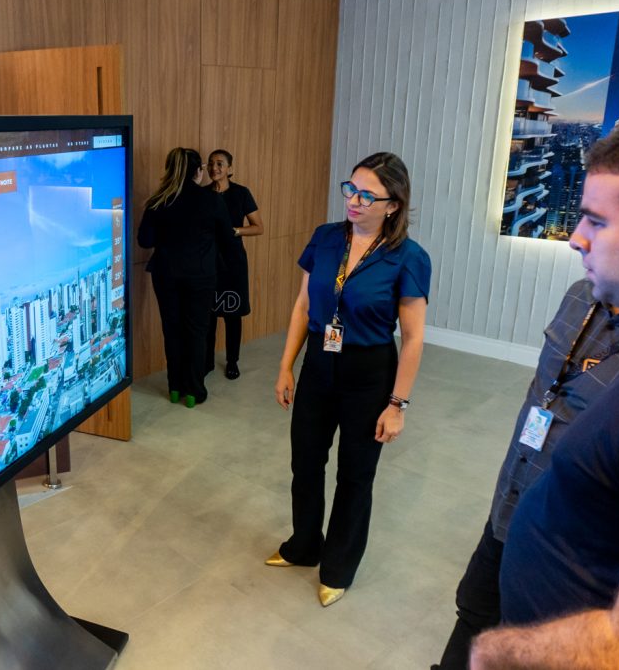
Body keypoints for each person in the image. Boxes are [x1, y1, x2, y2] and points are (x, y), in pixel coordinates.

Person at [470, 115, 619, 668]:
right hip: (510, 510)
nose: (575, 238)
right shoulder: (580, 295)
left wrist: (499, 652)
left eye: (597, 220)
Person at [432, 277, 619, 670]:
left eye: (598, 233)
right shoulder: (581, 293)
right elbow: (542, 389)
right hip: (511, 502)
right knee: (474, 612)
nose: (578, 244)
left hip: (571, 552)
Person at [268, 152, 431, 607]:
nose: (354, 201)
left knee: (355, 475)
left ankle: (338, 567)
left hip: (369, 372)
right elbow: (303, 305)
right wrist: (286, 365)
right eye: (350, 190)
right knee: (305, 462)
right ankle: (304, 545)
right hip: (319, 362)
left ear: (393, 205)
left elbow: (414, 338)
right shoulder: (325, 238)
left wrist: (397, 405)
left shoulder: (408, 258)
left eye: (367, 196)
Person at [137, 147, 233, 408]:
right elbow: (227, 238)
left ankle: (175, 388)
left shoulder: (158, 201)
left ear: (169, 169)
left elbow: (145, 240)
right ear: (198, 171)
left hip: (166, 275)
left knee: (172, 330)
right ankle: (194, 391)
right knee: (197, 331)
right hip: (201, 276)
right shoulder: (211, 200)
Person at [204, 149, 263, 380]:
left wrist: (235, 231)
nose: (214, 168)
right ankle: (207, 361)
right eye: (211, 163)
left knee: (233, 314)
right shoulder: (202, 194)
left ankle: (232, 361)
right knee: (207, 315)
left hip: (233, 262)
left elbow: (258, 227)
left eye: (220, 163)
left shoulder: (241, 193)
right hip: (207, 261)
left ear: (230, 168)